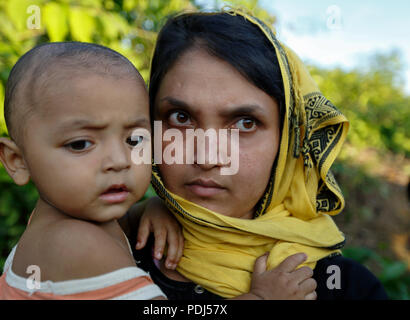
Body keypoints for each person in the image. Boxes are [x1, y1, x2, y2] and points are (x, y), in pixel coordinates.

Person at [131, 9, 388, 300]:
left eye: (245, 123)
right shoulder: (107, 255)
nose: (207, 158)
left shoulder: (347, 288)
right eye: (180, 117)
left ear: (288, 140)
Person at [0, 42, 179, 299]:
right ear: (17, 160)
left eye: (134, 140)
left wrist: (149, 208)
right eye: (80, 144)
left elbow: (116, 226)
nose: (120, 161)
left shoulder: (54, 221)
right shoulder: (78, 245)